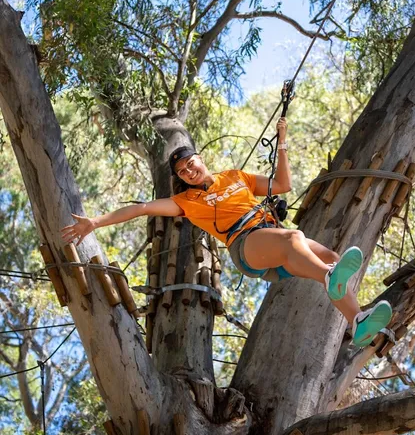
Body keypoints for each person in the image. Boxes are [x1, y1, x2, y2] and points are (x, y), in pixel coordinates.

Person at [61, 117, 392, 347]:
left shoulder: (235, 176)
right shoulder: (186, 200)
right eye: (182, 172)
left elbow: (283, 185)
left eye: (190, 163)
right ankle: (329, 276)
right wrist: (95, 221)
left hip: (271, 238)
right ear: (181, 178)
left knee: (330, 256)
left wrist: (283, 144)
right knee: (296, 239)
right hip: (246, 245)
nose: (189, 171)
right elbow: (142, 208)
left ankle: (357, 321)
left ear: (200, 159)